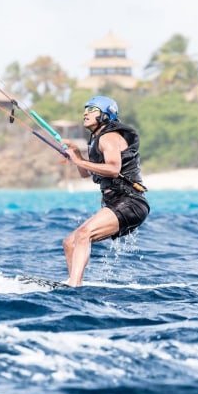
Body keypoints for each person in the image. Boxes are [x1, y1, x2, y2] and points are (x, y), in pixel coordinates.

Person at [61, 96, 149, 287]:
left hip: (131, 202)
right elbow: (85, 173)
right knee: (70, 242)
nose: (85, 113)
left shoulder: (109, 138)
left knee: (84, 234)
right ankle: (74, 285)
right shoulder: (96, 140)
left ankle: (74, 284)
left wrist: (78, 161)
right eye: (85, 108)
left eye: (92, 109)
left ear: (105, 115)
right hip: (117, 202)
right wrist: (77, 154)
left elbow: (113, 169)